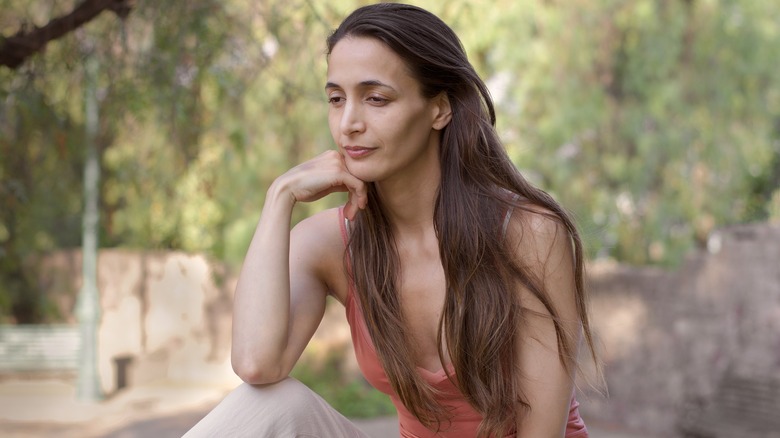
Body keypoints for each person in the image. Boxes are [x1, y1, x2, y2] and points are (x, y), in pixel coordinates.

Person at [185, 3, 598, 437]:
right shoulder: (332, 242)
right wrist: (279, 196)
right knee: (268, 403)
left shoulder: (528, 234)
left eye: (376, 99)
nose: (348, 124)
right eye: (336, 99)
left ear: (439, 109)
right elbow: (256, 364)